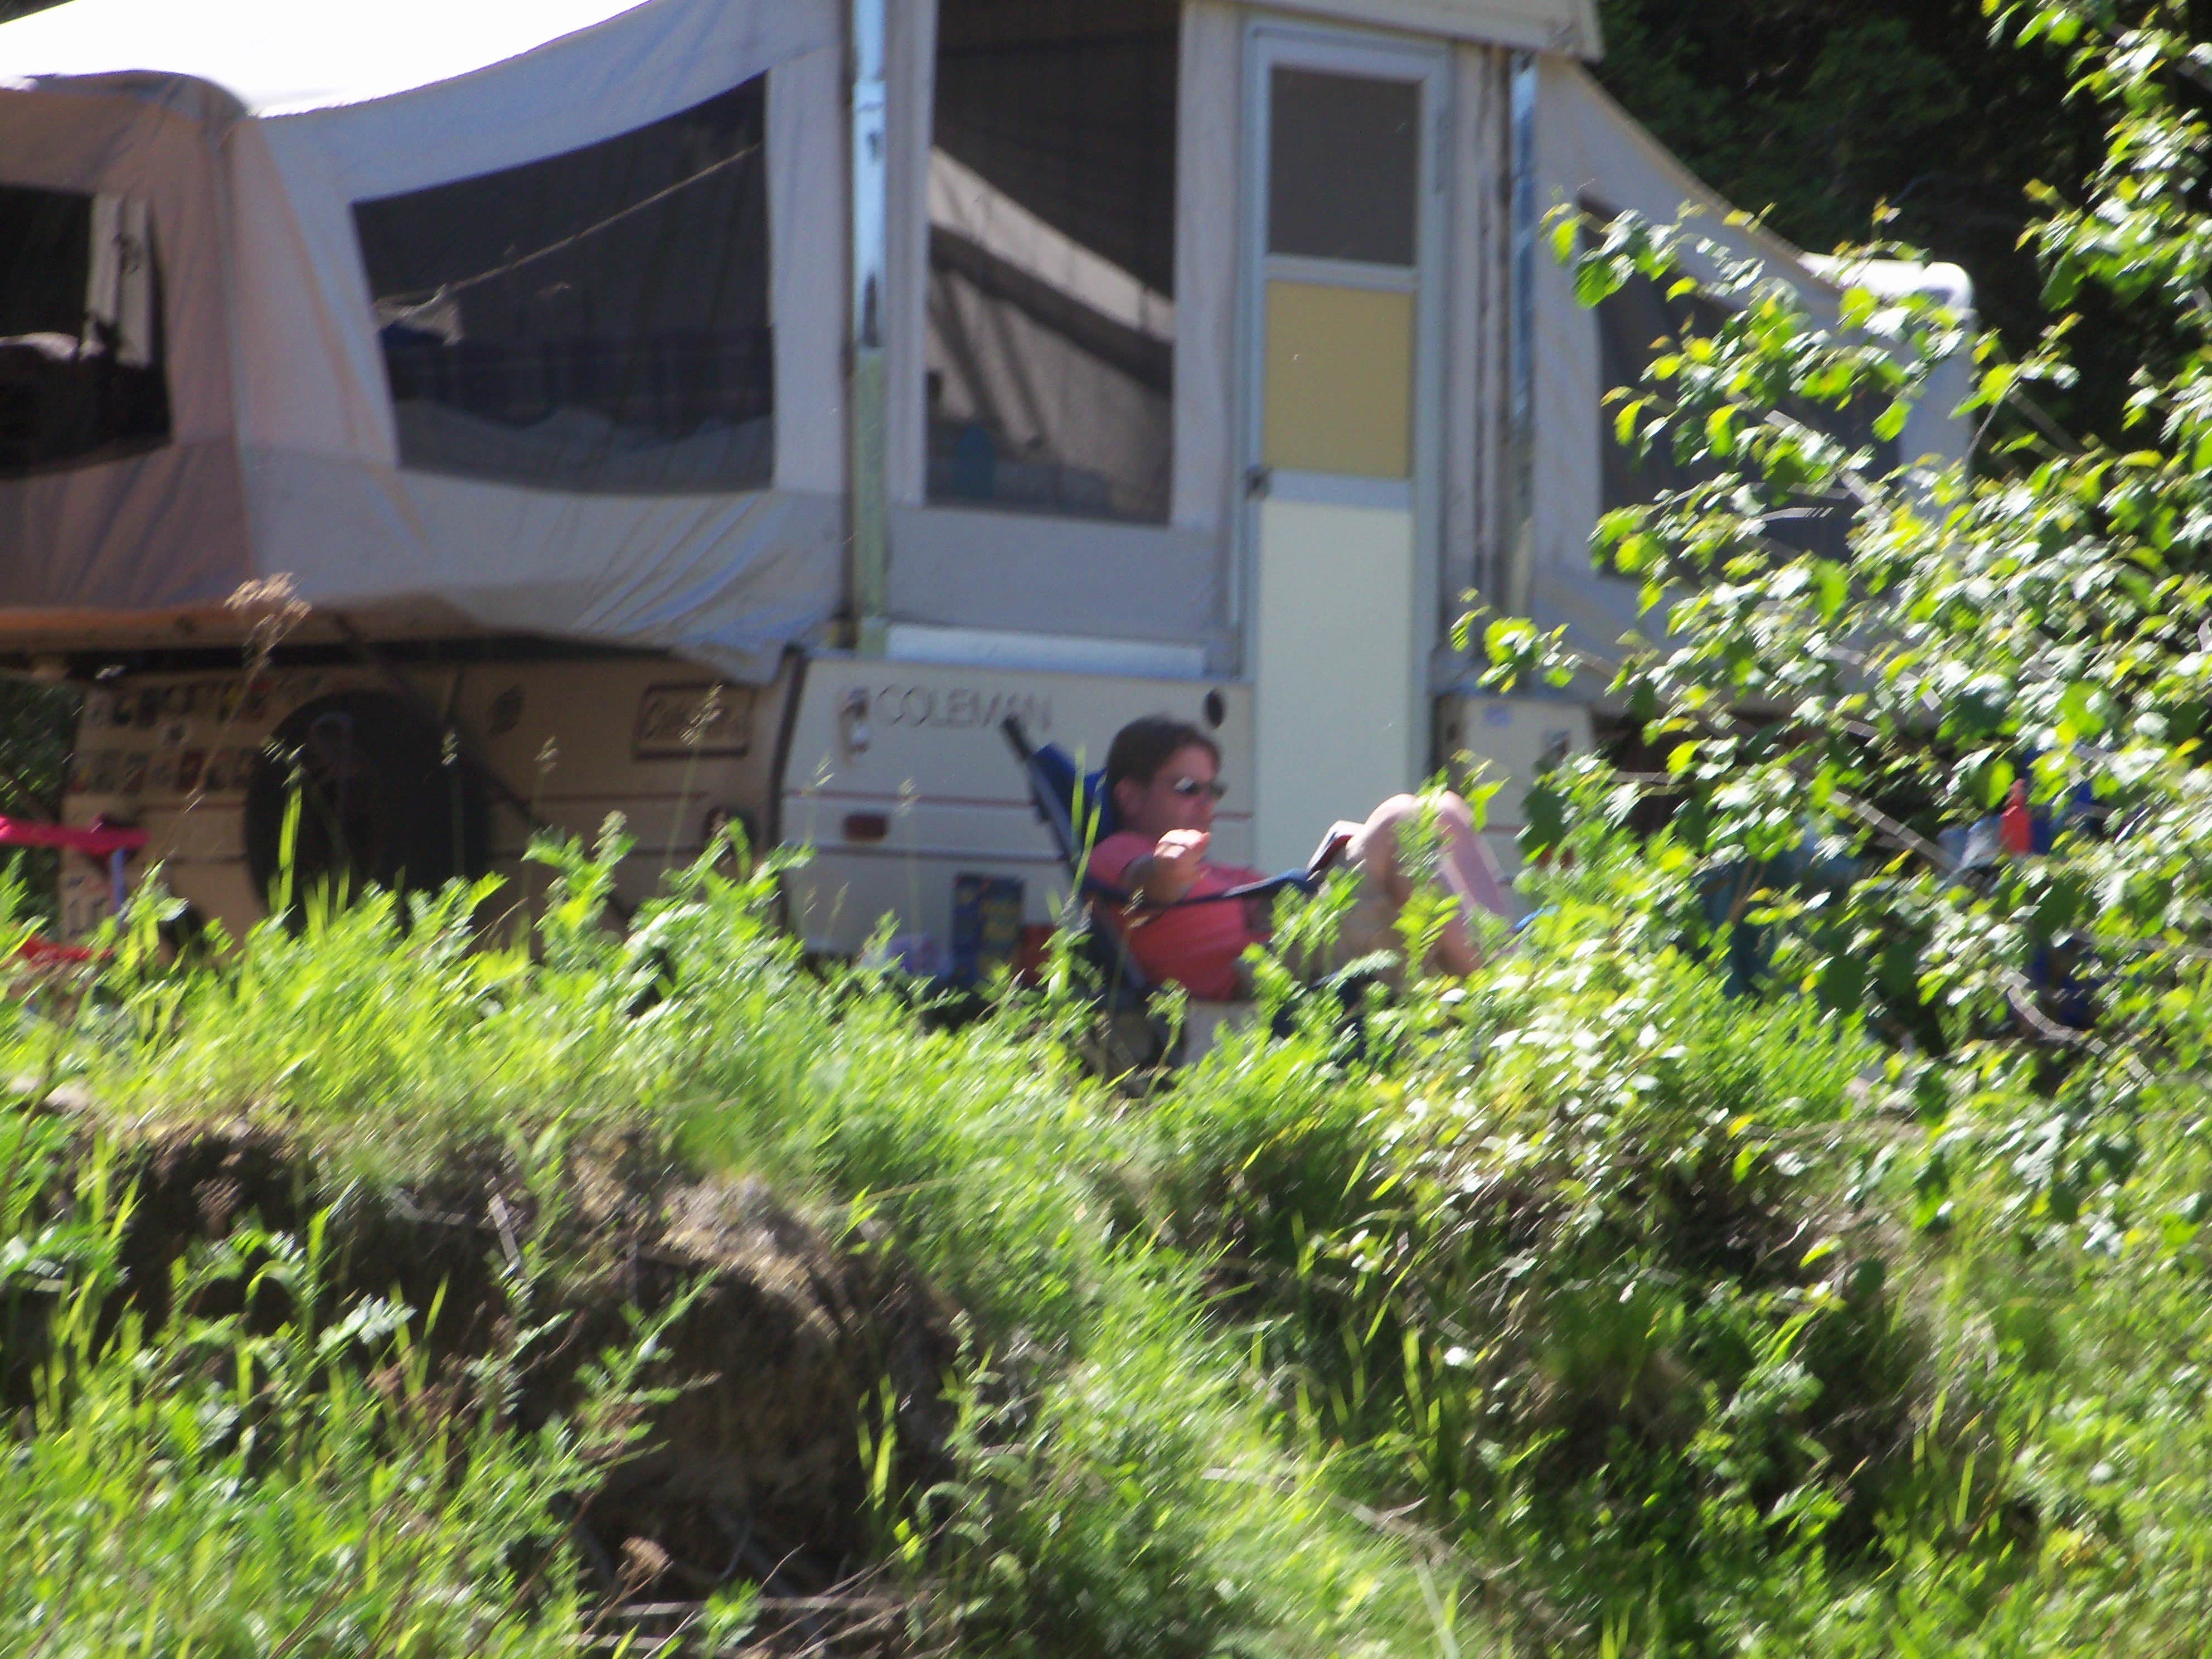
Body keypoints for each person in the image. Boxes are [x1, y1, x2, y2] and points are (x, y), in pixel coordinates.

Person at [1084, 715, 1512, 1001]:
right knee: (1400, 818)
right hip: (1258, 974)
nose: (1205, 804)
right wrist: (1166, 872)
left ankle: (1506, 963)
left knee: (1444, 810)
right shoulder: (1118, 851)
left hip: (1290, 941)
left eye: (1211, 790)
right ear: (1130, 795)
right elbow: (1143, 888)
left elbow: (1271, 905)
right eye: (1186, 788)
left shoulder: (1219, 872)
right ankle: (1504, 997)